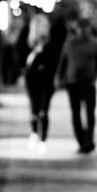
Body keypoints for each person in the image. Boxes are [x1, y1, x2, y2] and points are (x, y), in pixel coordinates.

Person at [58, 17, 97, 152]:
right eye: (80, 28)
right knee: (76, 114)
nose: (83, 31)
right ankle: (81, 141)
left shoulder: (94, 45)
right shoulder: (69, 44)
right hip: (73, 83)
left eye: (85, 28)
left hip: (88, 83)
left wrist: (95, 77)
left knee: (90, 113)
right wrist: (60, 78)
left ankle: (89, 140)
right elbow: (63, 62)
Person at [23, 14, 67, 144]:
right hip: (32, 78)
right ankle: (34, 133)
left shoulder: (52, 42)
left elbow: (56, 59)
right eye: (42, 26)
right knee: (34, 107)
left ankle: (43, 138)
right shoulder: (29, 43)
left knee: (44, 108)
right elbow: (24, 60)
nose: (44, 29)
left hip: (47, 78)